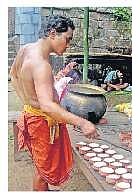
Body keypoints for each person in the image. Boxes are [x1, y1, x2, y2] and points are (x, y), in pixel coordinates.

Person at [9, 15, 99, 191]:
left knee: (41, 167)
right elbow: (48, 106)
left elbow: (13, 75)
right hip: (41, 123)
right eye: (67, 39)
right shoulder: (42, 65)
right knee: (43, 173)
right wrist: (82, 122)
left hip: (32, 115)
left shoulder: (27, 49)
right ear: (52, 33)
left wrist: (27, 102)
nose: (68, 45)